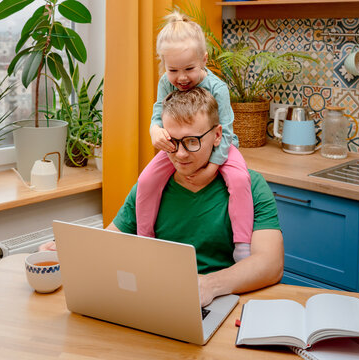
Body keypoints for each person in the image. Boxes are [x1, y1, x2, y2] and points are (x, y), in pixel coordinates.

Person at [42, 88, 284, 306]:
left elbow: (271, 264)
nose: (180, 154)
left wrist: (209, 286)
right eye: (171, 142)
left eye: (192, 141)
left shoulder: (252, 186)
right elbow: (111, 242)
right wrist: (71, 249)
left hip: (223, 302)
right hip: (157, 301)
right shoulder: (150, 188)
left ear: (218, 135)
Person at [136, 10, 254, 248]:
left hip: (221, 147)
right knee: (147, 179)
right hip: (180, 146)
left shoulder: (217, 88)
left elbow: (227, 131)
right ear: (164, 66)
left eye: (189, 69)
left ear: (204, 60)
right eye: (173, 70)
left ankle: (242, 244)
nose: (181, 78)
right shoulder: (165, 82)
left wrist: (212, 167)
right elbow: (158, 113)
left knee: (240, 179)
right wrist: (154, 130)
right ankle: (144, 239)